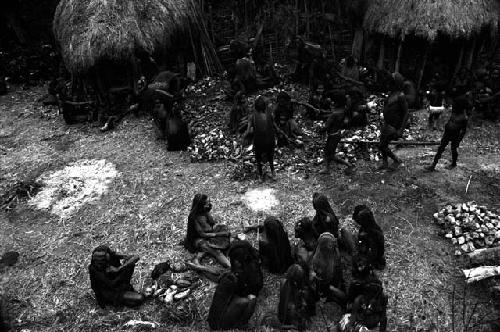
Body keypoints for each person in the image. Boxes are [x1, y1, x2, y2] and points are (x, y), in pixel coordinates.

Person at [184, 194, 231, 268]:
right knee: (216, 252)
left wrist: (218, 231)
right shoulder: (193, 218)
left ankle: (223, 248)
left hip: (209, 232)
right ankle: (229, 265)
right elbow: (202, 234)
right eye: (207, 203)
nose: (209, 204)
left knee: (223, 227)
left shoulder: (204, 210)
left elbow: (211, 224)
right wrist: (219, 234)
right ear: (201, 205)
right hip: (199, 239)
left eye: (209, 201)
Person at [424, 96, 469, 171]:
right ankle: (433, 165)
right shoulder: (454, 112)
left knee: (453, 149)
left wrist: (459, 140)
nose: (453, 106)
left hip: (455, 135)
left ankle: (454, 163)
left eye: (455, 105)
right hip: (448, 133)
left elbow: (463, 130)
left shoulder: (463, 117)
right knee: (440, 148)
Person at [378, 72, 409, 171]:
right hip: (387, 123)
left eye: (390, 83)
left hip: (393, 125)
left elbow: (406, 113)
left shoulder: (401, 96)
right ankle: (385, 163)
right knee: (383, 144)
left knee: (382, 145)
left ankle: (396, 160)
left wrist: (401, 129)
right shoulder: (391, 94)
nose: (388, 84)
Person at [353, 205, 385, 270]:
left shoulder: (375, 234)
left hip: (371, 253)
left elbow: (378, 251)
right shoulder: (365, 228)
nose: (357, 222)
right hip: (366, 249)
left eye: (359, 221)